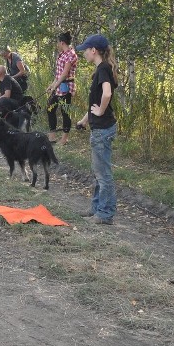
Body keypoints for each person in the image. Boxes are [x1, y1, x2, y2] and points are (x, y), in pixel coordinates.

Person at [75, 34, 118, 225]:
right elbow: (97, 100)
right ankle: (96, 208)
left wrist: (99, 111)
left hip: (102, 129)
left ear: (94, 51)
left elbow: (107, 94)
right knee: (97, 172)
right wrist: (85, 119)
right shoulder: (103, 69)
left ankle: (105, 213)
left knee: (103, 174)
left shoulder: (103, 70)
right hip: (98, 126)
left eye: (85, 49)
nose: (84, 53)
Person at [45, 32, 78, 146]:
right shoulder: (62, 54)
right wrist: (52, 85)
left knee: (65, 112)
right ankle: (52, 134)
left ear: (62, 42)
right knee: (50, 108)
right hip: (58, 86)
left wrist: (55, 85)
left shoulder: (71, 54)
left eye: (58, 42)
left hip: (66, 87)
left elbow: (64, 74)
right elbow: (58, 74)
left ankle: (64, 139)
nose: (57, 44)